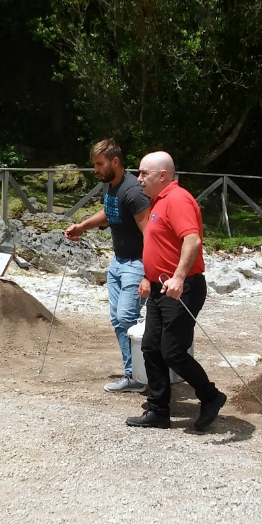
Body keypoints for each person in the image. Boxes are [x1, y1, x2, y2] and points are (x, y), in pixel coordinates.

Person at [126, 151, 226, 430]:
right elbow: (160, 246)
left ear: (163, 175)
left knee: (172, 351)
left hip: (182, 288)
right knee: (150, 347)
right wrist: (148, 277)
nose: (139, 178)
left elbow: (192, 240)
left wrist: (179, 277)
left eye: (144, 173)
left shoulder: (178, 199)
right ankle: (158, 411)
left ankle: (211, 396)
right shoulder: (158, 201)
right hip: (160, 287)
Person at [65, 139, 151, 394]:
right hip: (118, 262)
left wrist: (149, 274)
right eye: (94, 164)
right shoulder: (112, 187)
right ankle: (133, 374)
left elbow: (150, 233)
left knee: (127, 317)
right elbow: (110, 212)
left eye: (100, 164)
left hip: (137, 263)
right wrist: (82, 226)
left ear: (115, 161)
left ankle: (151, 372)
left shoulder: (133, 191)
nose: (96, 170)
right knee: (117, 319)